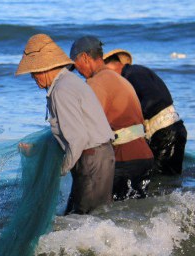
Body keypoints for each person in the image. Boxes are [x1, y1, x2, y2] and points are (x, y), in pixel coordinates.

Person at [16, 34, 115, 214]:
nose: (32, 78)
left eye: (33, 72)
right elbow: (67, 133)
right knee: (84, 218)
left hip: (92, 159)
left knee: (85, 220)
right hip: (97, 157)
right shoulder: (68, 82)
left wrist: (60, 170)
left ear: (44, 68)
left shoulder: (61, 90)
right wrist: (37, 149)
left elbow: (78, 138)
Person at [69, 36, 155, 200]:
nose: (78, 72)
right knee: (135, 214)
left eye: (76, 66)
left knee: (110, 214)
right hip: (144, 156)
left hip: (125, 159)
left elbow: (87, 125)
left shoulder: (96, 83)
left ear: (85, 58)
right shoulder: (119, 78)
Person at [103, 49, 187, 176]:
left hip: (165, 133)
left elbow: (152, 100)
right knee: (169, 178)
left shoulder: (132, 75)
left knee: (159, 180)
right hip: (173, 129)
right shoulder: (138, 71)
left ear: (112, 66)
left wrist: (133, 119)